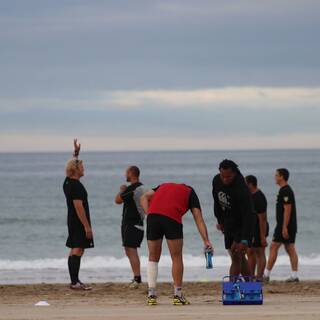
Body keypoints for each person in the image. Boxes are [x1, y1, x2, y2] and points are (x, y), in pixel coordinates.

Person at [141, 183, 213, 306]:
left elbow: (143, 197)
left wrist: (149, 214)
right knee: (176, 256)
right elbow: (198, 217)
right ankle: (177, 295)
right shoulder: (190, 192)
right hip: (171, 217)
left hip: (153, 217)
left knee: (153, 257)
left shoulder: (163, 186)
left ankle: (151, 295)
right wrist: (206, 240)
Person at [212, 159, 255, 281]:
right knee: (239, 256)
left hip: (242, 225)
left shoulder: (241, 188)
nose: (225, 179)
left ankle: (232, 286)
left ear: (234, 173)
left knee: (236, 255)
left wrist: (244, 239)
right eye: (223, 176)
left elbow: (249, 216)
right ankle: (249, 284)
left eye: (228, 177)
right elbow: (217, 202)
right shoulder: (216, 180)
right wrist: (220, 220)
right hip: (228, 223)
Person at [63, 139, 94, 290]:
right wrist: (87, 227)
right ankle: (75, 282)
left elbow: (72, 165)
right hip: (78, 221)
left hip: (72, 221)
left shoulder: (67, 182)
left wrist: (76, 153)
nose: (83, 168)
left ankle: (74, 281)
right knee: (77, 249)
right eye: (81, 166)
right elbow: (78, 207)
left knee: (76, 249)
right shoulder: (76, 186)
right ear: (75, 170)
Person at [264, 168, 299, 282]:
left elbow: (288, 209)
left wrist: (284, 227)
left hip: (285, 225)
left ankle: (266, 275)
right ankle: (294, 276)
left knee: (274, 247)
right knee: (290, 249)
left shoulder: (286, 191)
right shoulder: (283, 190)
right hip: (286, 225)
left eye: (276, 175)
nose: (275, 177)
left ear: (282, 177)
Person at [115, 166, 145, 288]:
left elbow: (117, 200)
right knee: (130, 250)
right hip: (138, 223)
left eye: (126, 172)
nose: (125, 175)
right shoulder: (142, 187)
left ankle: (137, 278)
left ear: (131, 174)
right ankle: (136, 277)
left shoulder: (132, 188)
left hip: (131, 224)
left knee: (131, 250)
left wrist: (121, 190)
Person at [245, 175, 269, 281]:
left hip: (260, 227)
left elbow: (262, 218)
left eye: (245, 183)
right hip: (251, 227)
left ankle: (259, 277)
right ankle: (250, 276)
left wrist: (262, 236)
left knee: (260, 252)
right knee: (250, 251)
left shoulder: (259, 197)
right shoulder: (249, 196)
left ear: (250, 184)